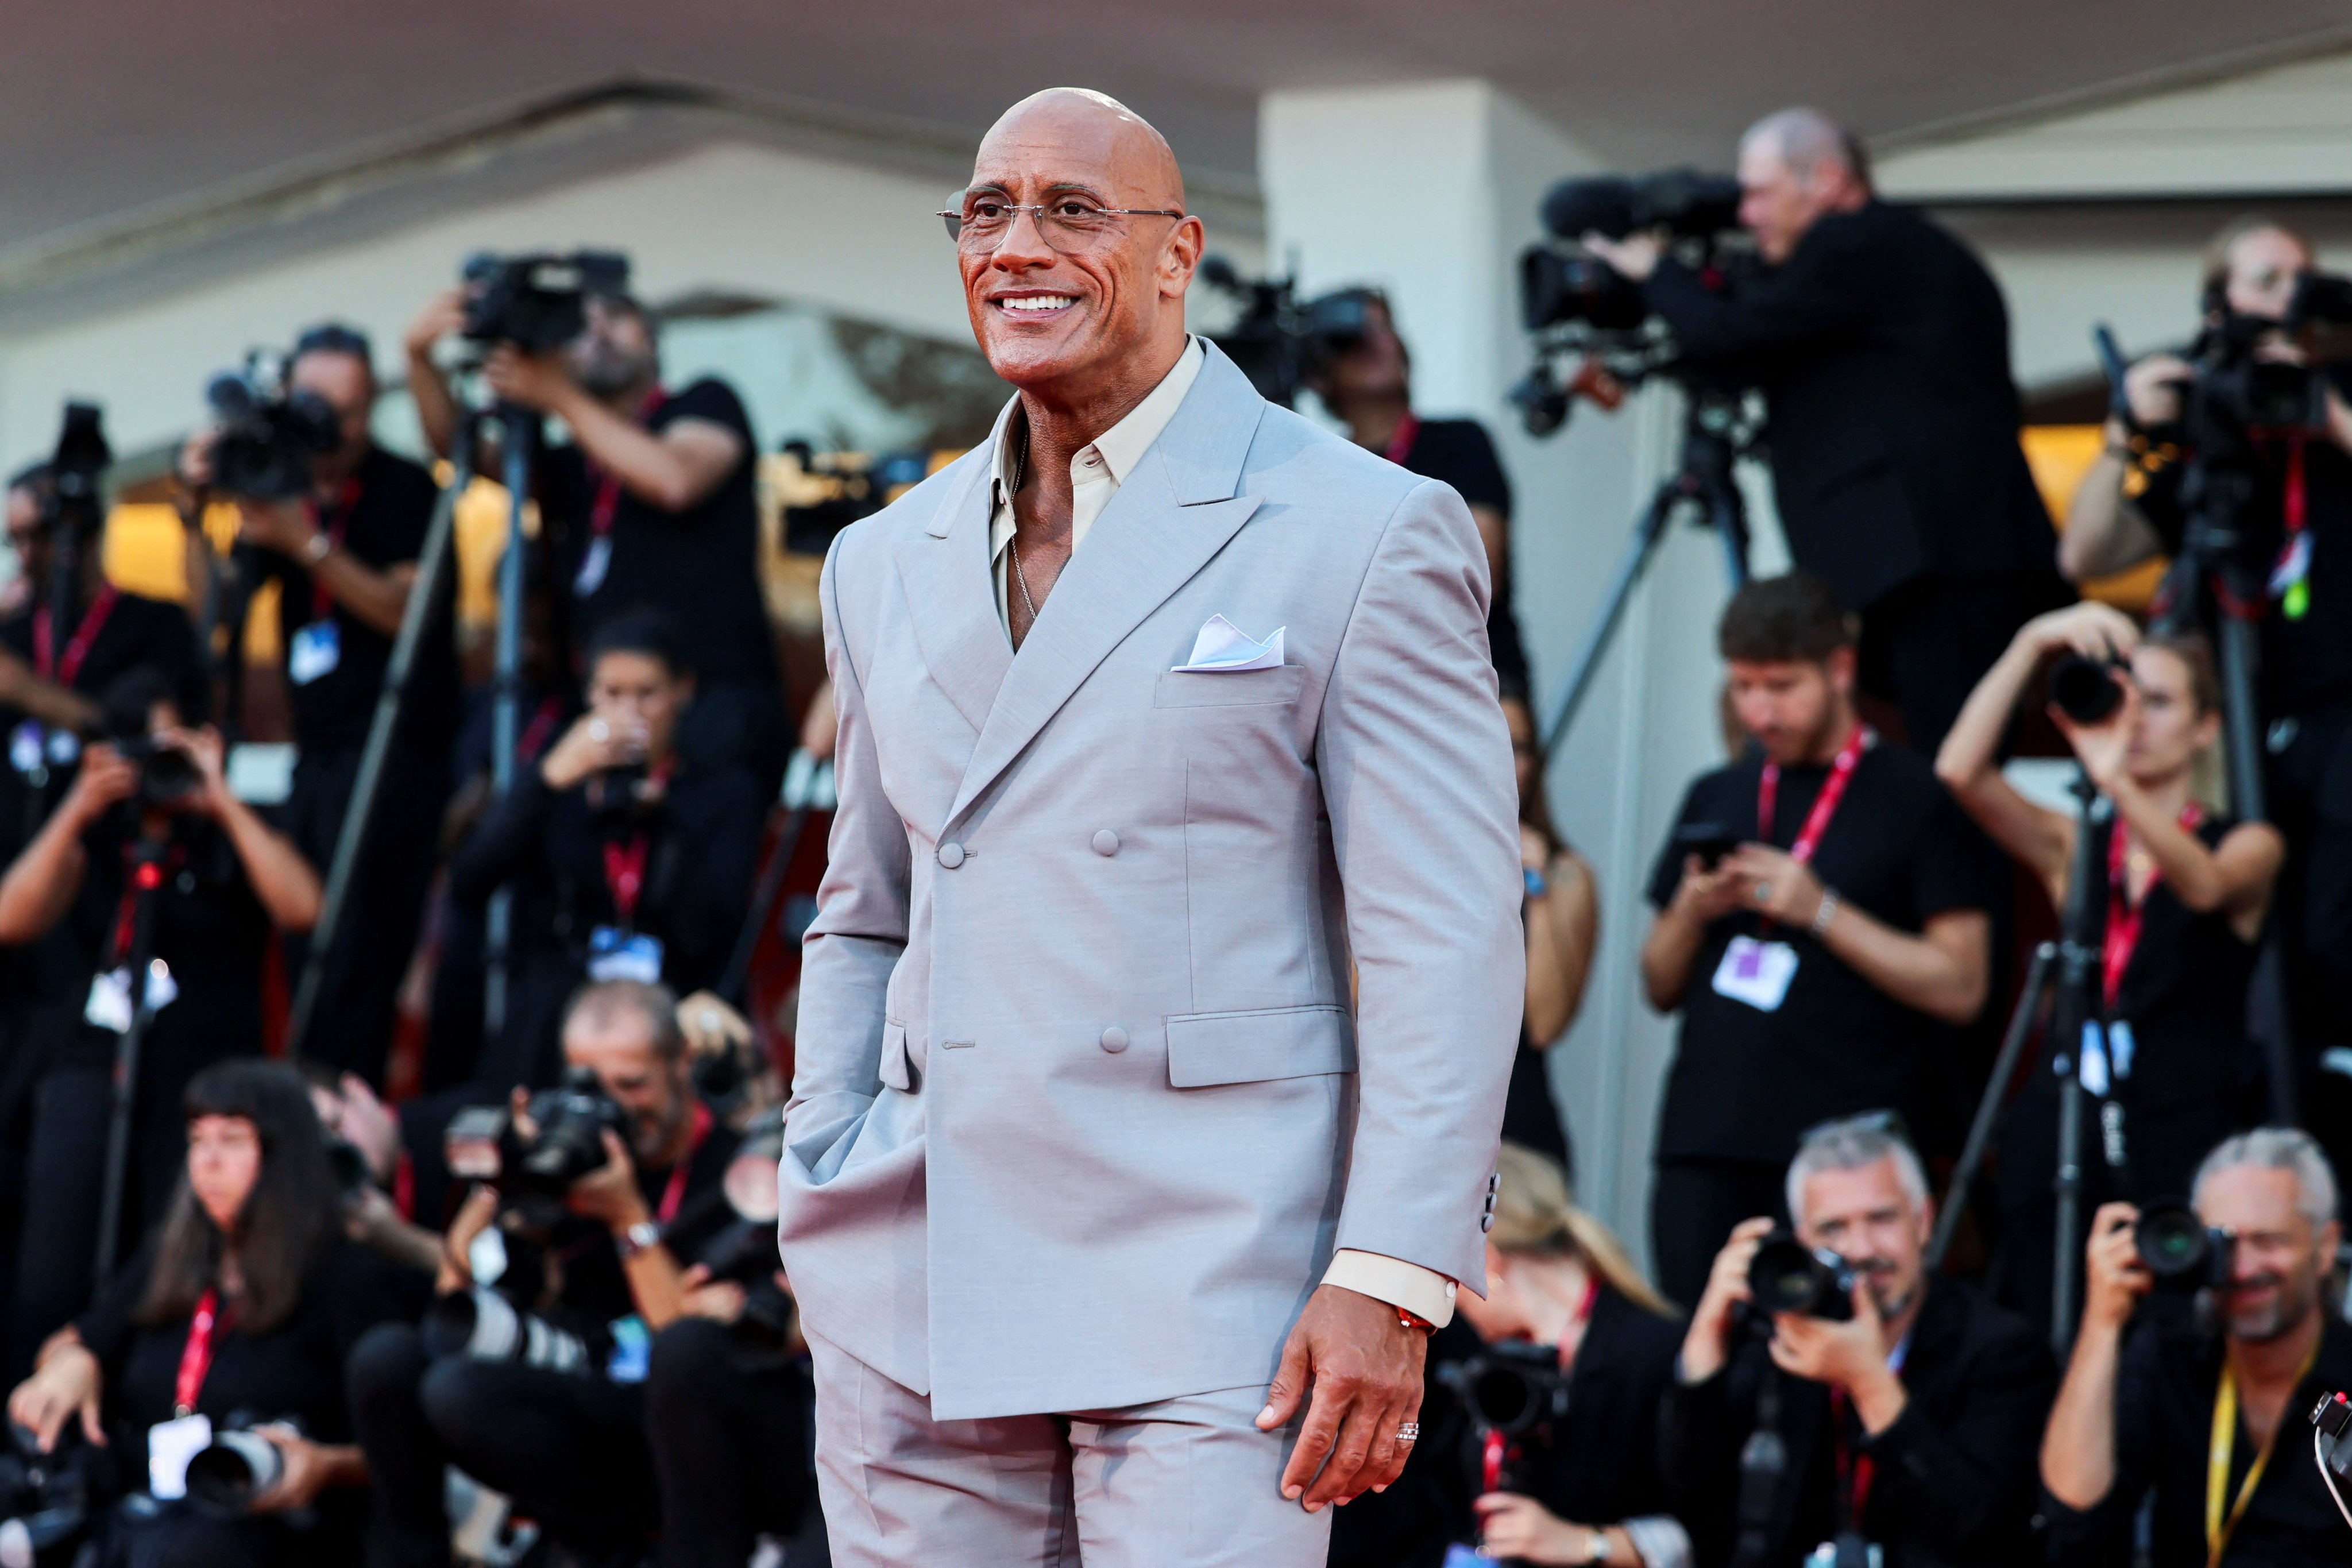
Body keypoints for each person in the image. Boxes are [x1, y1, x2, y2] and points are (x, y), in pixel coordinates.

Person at [781, 87, 1523, 1566]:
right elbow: (864, 907)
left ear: (1179, 254)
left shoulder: (1363, 527)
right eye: (986, 211)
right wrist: (825, 1163)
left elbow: (1444, 938)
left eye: (1072, 209)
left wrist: (1392, 1273)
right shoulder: (881, 561)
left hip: (1221, 1280)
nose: (1017, 245)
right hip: (919, 1266)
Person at [1583, 107, 2066, 754]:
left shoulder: (1857, 243)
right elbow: (1747, 350)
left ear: (1829, 180)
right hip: (1943, 569)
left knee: (1953, 782)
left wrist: (1657, 273)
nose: (1747, 215)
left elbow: (1733, 338)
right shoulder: (1890, 258)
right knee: (1941, 773)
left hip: (1936, 572)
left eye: (1759, 192)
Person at [2056, 213, 2352, 1161]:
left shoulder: (2333, 394)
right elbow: (2089, 553)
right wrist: (2123, 429)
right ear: (2218, 296)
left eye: (2303, 282)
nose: (2287, 298)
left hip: (2335, 721)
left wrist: (2321, 402)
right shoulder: (2198, 407)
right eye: (2268, 279)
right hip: (2226, 724)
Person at [1641, 573, 1997, 1308]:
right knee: (1701, 1351)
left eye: (1780, 686)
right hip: (1706, 1142)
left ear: (1839, 671)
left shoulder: (1915, 799)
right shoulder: (1718, 792)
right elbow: (1657, 984)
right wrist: (1690, 912)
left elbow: (1963, 986)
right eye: (1743, 687)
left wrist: (1821, 910)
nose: (1759, 711)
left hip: (1842, 1156)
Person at [1937, 602, 2282, 1319]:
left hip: (2179, 1132)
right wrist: (2031, 642)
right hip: (2066, 1125)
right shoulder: (2080, 847)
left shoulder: (2248, 844)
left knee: (2167, 1334)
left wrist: (2114, 780)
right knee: (2039, 1315)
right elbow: (1960, 770)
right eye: (2127, 698)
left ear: (2204, 728)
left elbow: (2206, 885)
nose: (2136, 721)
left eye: (2158, 703)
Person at [345, 979, 743, 1568]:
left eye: (633, 1084)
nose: (613, 1108)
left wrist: (627, 1217)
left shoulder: (733, 1171)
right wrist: (503, 1185)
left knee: (460, 1393)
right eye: (590, 1085)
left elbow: (688, 1349)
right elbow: (456, 1307)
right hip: (562, 1371)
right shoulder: (566, 1151)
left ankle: (604, 1550)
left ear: (681, 1064)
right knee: (390, 1359)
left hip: (662, 1415)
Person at [0, 668, 320, 1376]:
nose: (154, 768)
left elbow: (303, 909)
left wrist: (221, 799)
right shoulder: (94, 832)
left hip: (201, 1079)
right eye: (139, 751)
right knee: (52, 1256)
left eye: (170, 746)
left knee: (168, 1245)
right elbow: (11, 919)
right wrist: (80, 808)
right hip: (91, 1066)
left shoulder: (231, 830)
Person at [181, 322, 460, 1086]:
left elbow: (408, 611)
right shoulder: (279, 481)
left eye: (347, 407)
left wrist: (306, 544)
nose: (330, 424)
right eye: (314, 402)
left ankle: (347, 1112)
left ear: (370, 409)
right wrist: (195, 510)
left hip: (395, 754)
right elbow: (216, 618)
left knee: (362, 954)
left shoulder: (404, 488)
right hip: (317, 756)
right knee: (307, 942)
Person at [7, 1059, 412, 1567]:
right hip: (135, 1504)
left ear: (284, 1154)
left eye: (233, 1140)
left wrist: (325, 1466)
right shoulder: (174, 1256)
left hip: (261, 1524)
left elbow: (401, 1452)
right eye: (198, 1139)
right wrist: (72, 1361)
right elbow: (77, 1339)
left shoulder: (345, 1277)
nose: (208, 1161)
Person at [406, 280, 788, 791]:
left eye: (618, 317)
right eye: (582, 327)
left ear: (652, 341)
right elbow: (463, 454)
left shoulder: (705, 401)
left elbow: (675, 481)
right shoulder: (578, 461)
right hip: (608, 704)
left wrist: (556, 394)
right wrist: (419, 362)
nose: (601, 332)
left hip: (711, 702)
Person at [1662, 1115, 2054, 1567]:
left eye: (1881, 1219)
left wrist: (1870, 1384)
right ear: (1803, 1240)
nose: (1862, 1249)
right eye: (1833, 1229)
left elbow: (1980, 1529)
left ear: (1923, 1221)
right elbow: (1695, 1502)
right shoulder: (1786, 1340)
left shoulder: (2001, 1350)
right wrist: (1707, 1333)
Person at [443, 609, 761, 1096]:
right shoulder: (560, 784)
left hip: (670, 1005)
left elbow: (713, 929)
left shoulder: (720, 794)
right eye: (612, 694)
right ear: (589, 694)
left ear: (683, 691)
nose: (628, 713)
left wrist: (664, 820)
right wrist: (548, 779)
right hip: (560, 1013)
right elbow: (469, 881)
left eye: (647, 694)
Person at [1331, 1140, 1689, 1568]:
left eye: (1443, 1279)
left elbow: (1714, 1526)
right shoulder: (1489, 1360)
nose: (1449, 1305)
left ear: (1486, 1260)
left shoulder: (1659, 1353)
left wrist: (1588, 1544)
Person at [2041, 1127, 2352, 1565]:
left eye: (2268, 1241)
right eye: (2222, 1243)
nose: (2242, 1269)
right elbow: (2074, 1518)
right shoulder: (2170, 1355)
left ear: (2325, 1247)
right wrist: (2103, 1320)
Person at [1306, 290, 1530, 692]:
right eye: (1352, 334)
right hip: (1364, 690)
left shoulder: (1460, 440)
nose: (1373, 341)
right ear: (1320, 371)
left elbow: (1476, 574)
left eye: (1382, 327)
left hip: (1469, 683)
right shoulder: (1321, 468)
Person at [1503, 688, 1598, 1175]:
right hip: (1414, 1113)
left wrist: (1533, 893)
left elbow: (1545, 1025)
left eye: (1519, 747)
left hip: (1518, 1126)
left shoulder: (1564, 875)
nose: (1502, 758)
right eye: (1486, 736)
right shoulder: (1406, 860)